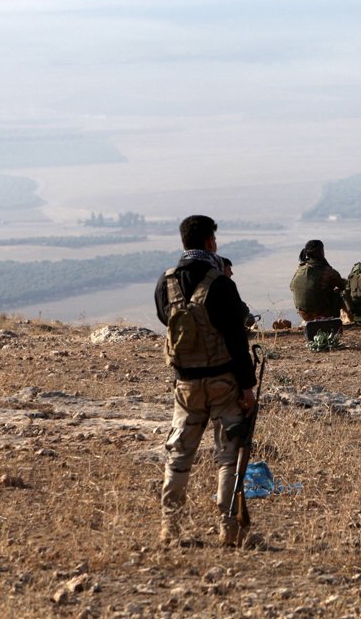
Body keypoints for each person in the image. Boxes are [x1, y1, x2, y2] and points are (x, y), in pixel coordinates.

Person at [154, 215, 256, 547]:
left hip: (185, 385)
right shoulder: (221, 284)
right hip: (223, 381)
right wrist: (247, 386)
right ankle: (229, 529)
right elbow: (237, 340)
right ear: (211, 242)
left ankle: (171, 528)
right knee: (228, 455)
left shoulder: (166, 282)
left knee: (178, 455)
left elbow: (166, 321)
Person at [289, 240, 345, 322]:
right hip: (321, 313)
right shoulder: (326, 270)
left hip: (303, 314)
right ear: (321, 252)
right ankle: (350, 318)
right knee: (342, 292)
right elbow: (342, 285)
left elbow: (291, 287)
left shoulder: (299, 268)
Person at [221, 257, 258, 330]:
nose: (232, 273)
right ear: (221, 270)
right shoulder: (221, 286)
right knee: (249, 317)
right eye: (229, 269)